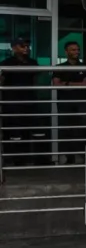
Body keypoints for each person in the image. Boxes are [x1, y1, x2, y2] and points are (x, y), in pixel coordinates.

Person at [1, 34, 43, 166]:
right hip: (11, 102)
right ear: (14, 48)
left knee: (27, 130)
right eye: (22, 46)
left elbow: (35, 81)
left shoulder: (32, 62)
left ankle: (27, 158)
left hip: (29, 101)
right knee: (12, 131)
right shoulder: (6, 63)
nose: (26, 48)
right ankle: (12, 159)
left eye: (27, 46)